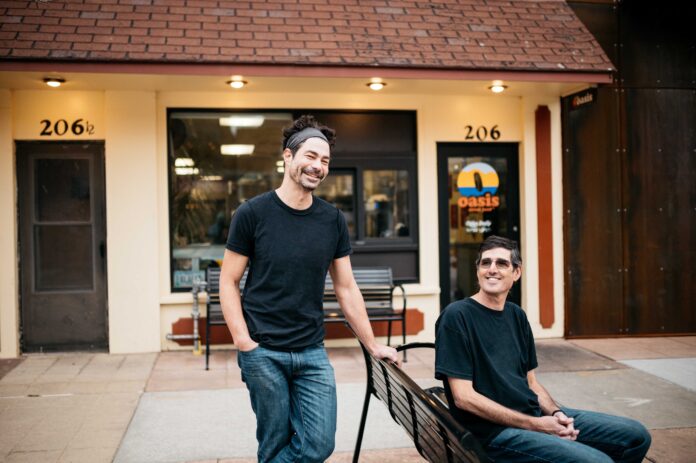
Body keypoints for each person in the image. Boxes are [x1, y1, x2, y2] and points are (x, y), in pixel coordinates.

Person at [219, 115, 398, 463]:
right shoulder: (252, 213)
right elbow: (228, 281)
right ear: (288, 157)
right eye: (311, 156)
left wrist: (372, 344)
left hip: (311, 352)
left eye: (325, 160)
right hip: (263, 351)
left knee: (318, 444)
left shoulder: (331, 220)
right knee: (273, 442)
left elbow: (346, 288)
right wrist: (244, 343)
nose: (318, 166)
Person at [435, 235, 651, 462]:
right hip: (495, 434)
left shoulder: (516, 315)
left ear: (516, 273)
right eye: (485, 263)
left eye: (502, 263)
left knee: (636, 436)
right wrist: (536, 425)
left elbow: (531, 384)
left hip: (534, 417)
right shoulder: (457, 316)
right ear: (477, 270)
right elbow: (464, 398)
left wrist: (556, 414)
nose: (492, 269)